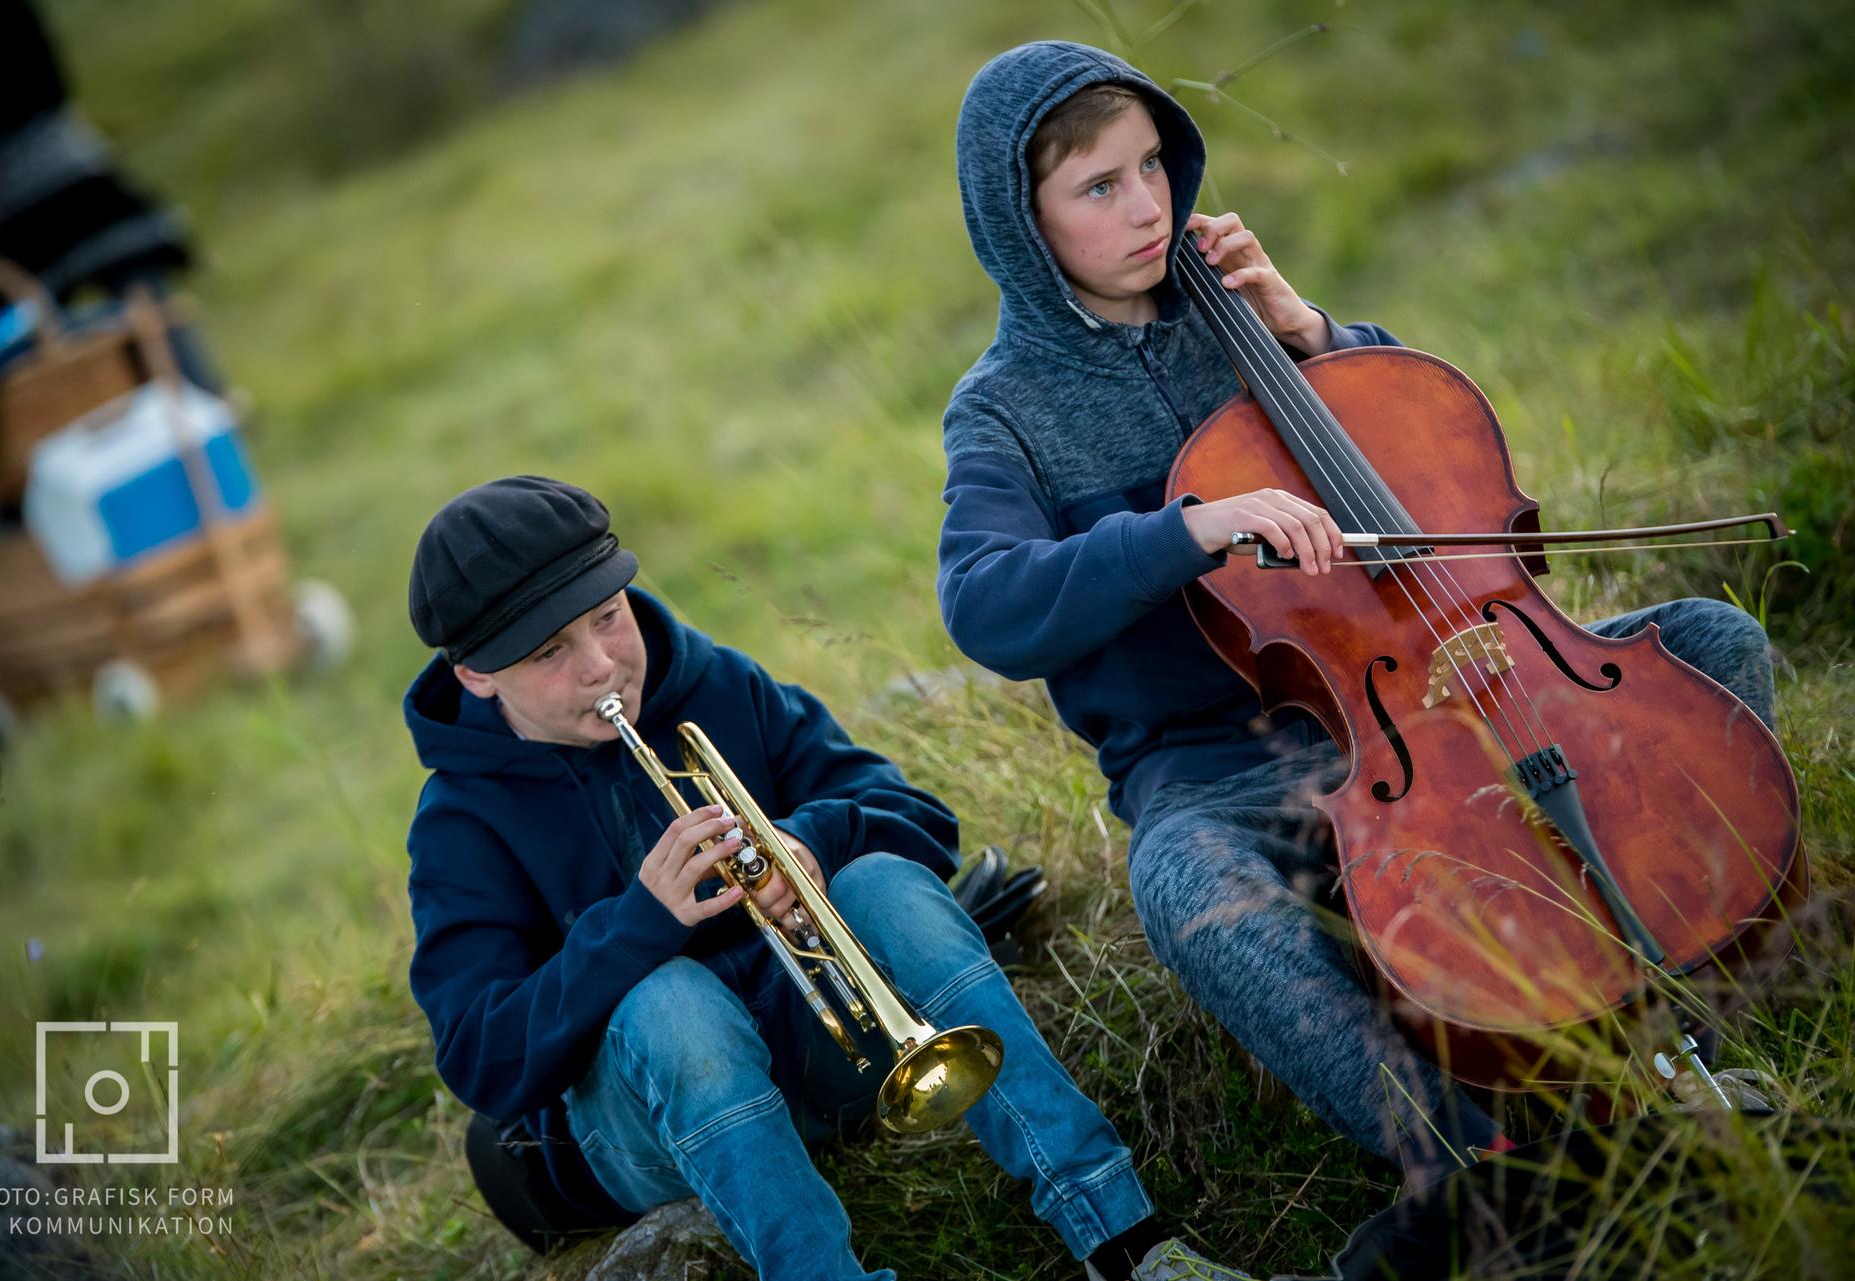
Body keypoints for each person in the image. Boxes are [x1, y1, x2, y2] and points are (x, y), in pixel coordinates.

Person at [934, 41, 1780, 1187]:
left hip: (1427, 683)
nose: (1149, 208)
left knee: (1714, 647)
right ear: (1018, 222)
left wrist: (1318, 338)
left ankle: (1690, 1022)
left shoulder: (1236, 312)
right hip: (1222, 771)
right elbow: (986, 604)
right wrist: (1190, 528)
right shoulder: (1002, 413)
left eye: (1152, 167)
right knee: (1184, 886)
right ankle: (1471, 1167)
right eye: (1099, 187)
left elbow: (1431, 466)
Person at [401, 475, 1253, 1281]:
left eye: (608, 616)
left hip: (837, 1046)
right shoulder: (460, 825)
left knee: (882, 881)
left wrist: (809, 842)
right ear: (475, 675)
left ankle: (1124, 1237)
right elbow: (482, 1056)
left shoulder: (717, 684)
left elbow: (917, 816)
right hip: (656, 1122)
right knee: (669, 999)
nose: (600, 666)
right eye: (552, 651)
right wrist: (640, 924)